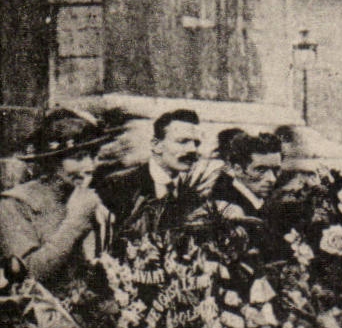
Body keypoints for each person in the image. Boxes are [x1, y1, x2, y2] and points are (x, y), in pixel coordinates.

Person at [0, 110, 113, 291]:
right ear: (52, 162)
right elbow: (27, 275)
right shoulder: (15, 204)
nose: (90, 167)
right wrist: (75, 222)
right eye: (78, 158)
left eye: (93, 156)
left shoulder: (93, 198)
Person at [94, 107, 212, 239]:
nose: (192, 149)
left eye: (196, 143)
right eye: (182, 142)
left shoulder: (194, 193)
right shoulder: (117, 186)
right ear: (156, 145)